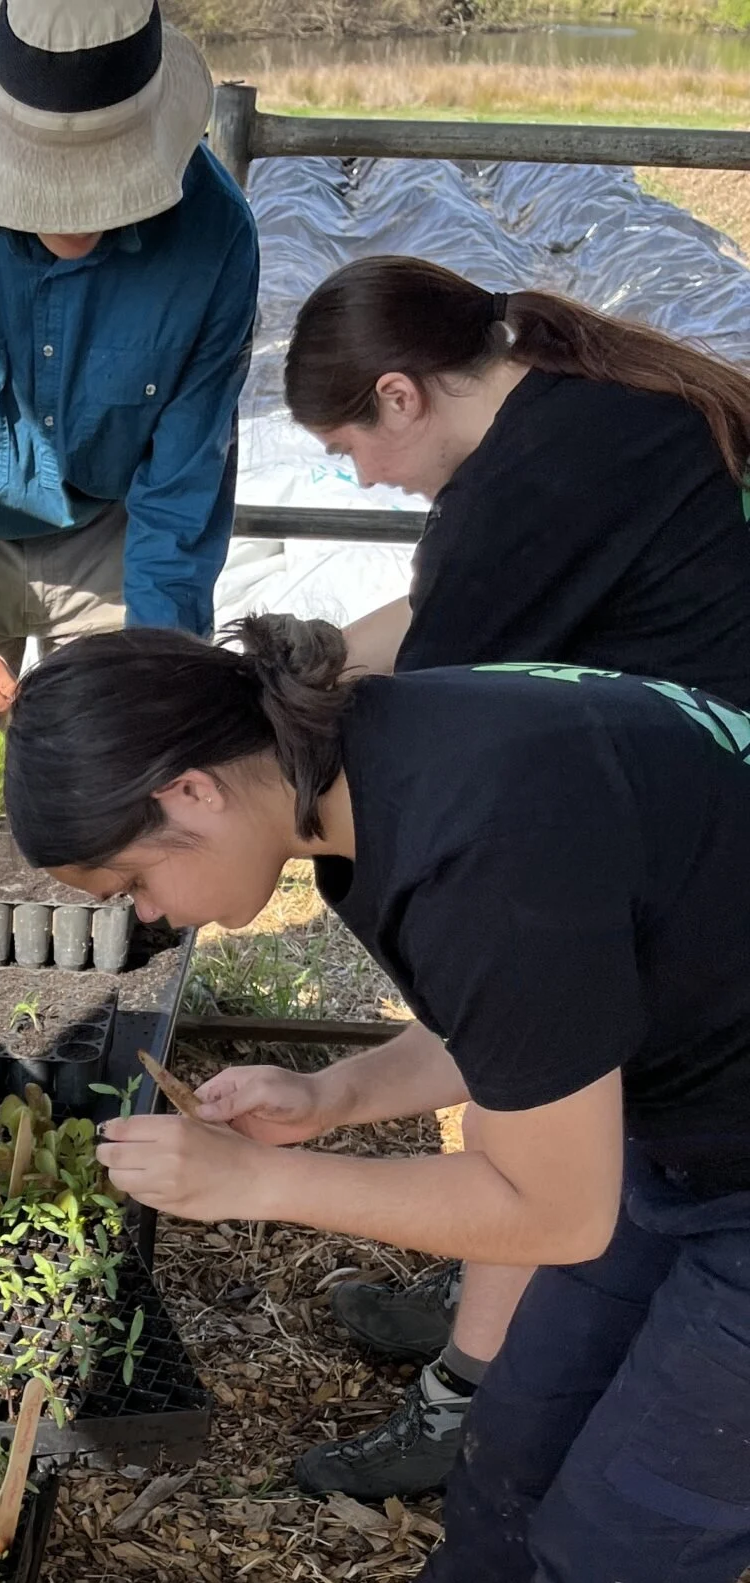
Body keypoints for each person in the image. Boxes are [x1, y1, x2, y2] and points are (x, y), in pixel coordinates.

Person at [3, 615, 750, 1583]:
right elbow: (530, 1010)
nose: (147, 917)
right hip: (690, 1103)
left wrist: (265, 1184)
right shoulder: (356, 772)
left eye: (132, 882)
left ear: (191, 791)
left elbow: (555, 1214)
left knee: (632, 1521)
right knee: (521, 1423)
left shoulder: (477, 838)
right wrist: (334, 1093)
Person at [281, 256, 750, 1498]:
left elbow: (432, 689)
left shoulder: (527, 485)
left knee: (522, 1037)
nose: (362, 479)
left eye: (347, 450)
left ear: (399, 395)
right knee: (535, 1045)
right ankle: (502, 1289)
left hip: (700, 807)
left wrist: (272, 717)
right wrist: (277, 676)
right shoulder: (579, 403)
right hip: (684, 772)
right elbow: (417, 626)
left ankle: (466, 1390)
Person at [0, 0, 256, 735]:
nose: (75, 213)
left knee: (125, 768)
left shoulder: (213, 239)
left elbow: (181, 491)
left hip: (116, 540)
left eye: (103, 183)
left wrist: (153, 676)